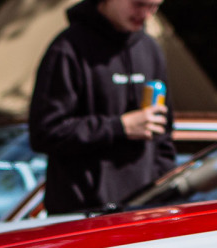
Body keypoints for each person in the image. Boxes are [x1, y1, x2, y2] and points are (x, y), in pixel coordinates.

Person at [28, 0, 176, 215]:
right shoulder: (68, 49)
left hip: (141, 211)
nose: (146, 14)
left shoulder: (150, 49)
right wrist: (119, 127)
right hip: (81, 214)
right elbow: (45, 132)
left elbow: (164, 135)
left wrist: (162, 189)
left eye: (154, 7)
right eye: (139, 4)